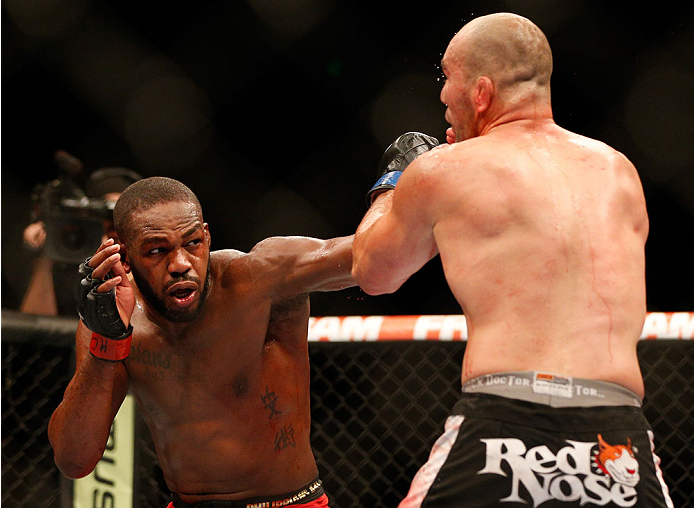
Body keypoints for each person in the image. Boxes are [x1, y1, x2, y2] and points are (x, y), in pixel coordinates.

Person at [352, 13, 674, 508]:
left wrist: (394, 182)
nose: (442, 98)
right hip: (614, 431)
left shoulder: (443, 170)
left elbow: (373, 274)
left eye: (448, 81)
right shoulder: (617, 171)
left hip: (503, 425)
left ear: (481, 93)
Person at [48, 176, 355, 507]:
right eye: (157, 251)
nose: (181, 265)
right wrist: (106, 342)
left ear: (207, 236)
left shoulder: (260, 278)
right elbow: (74, 460)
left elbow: (371, 256)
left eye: (192, 243)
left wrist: (394, 187)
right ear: (122, 255)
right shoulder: (116, 318)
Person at [21, 166, 141, 316]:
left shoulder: (150, 260)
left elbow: (140, 323)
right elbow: (36, 329)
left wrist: (115, 263)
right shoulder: (72, 260)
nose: (115, 222)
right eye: (107, 213)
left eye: (123, 213)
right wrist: (49, 249)